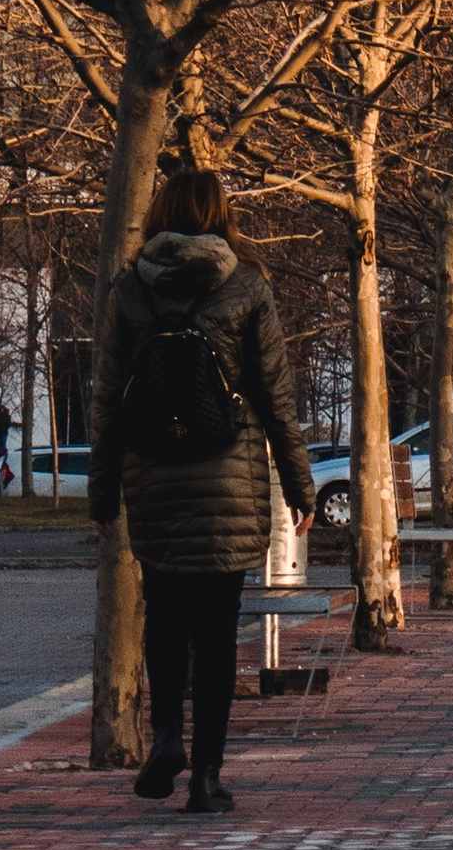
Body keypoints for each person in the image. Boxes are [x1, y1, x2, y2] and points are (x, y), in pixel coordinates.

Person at [88, 169, 315, 815]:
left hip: (153, 478)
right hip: (227, 478)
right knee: (216, 632)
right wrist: (300, 486)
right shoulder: (246, 286)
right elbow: (275, 397)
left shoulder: (131, 290)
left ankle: (164, 736)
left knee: (164, 615)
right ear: (220, 215)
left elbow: (106, 401)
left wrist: (102, 496)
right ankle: (206, 777)